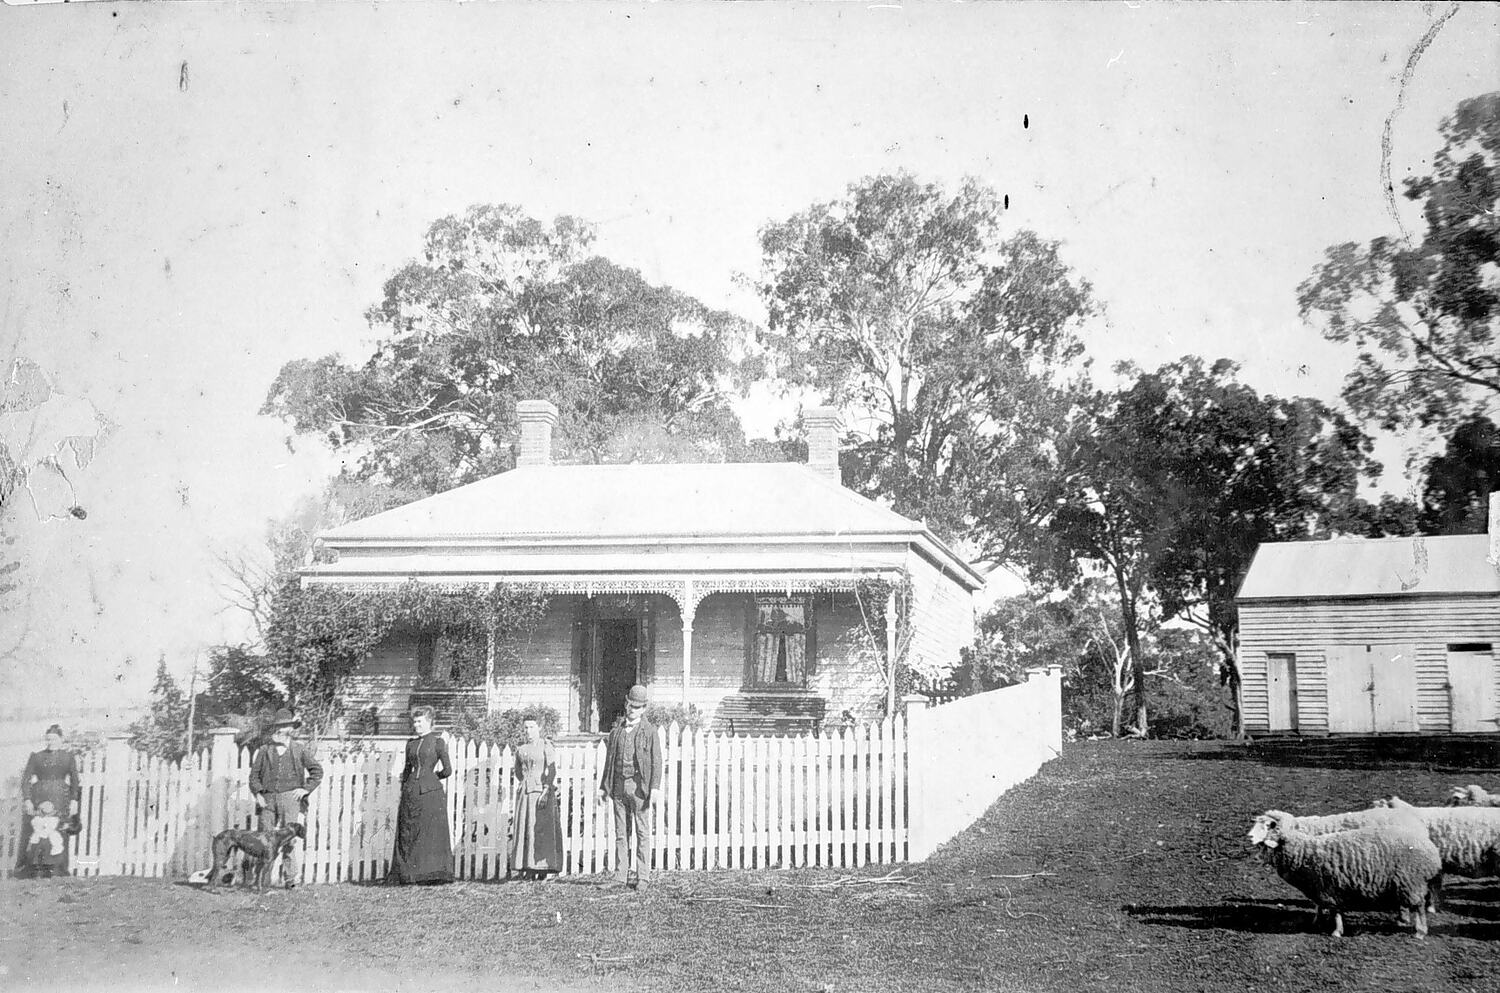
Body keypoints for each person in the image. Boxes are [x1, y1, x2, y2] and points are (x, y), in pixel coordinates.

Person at [247, 709, 323, 890]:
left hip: (291, 798)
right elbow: (253, 777)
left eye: (285, 726)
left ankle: (291, 881)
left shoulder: (299, 750)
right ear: (275, 729)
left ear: (291, 729)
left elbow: (317, 771)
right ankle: (261, 882)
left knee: (289, 840)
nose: (282, 730)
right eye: (279, 727)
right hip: (267, 799)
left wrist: (304, 789)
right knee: (263, 840)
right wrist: (258, 793)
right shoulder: (265, 750)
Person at [596, 684, 662, 889]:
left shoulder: (649, 732)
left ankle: (643, 877)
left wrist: (655, 788)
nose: (631, 709)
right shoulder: (616, 732)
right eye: (629, 705)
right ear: (626, 704)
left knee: (642, 833)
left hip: (639, 787)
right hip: (618, 787)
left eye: (636, 707)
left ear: (643, 709)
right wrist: (603, 788)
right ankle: (620, 876)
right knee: (621, 833)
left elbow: (656, 761)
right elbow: (609, 762)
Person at [388, 705, 454, 885]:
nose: (416, 725)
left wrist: (433, 778)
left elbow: (448, 770)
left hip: (431, 794)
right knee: (409, 831)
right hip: (411, 792)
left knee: (428, 833)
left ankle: (430, 873)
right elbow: (407, 769)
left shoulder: (438, 742)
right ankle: (408, 874)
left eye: (420, 721)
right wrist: (405, 785)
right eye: (414, 721)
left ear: (430, 722)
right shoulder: (410, 743)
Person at [16, 724, 81, 879]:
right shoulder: (36, 757)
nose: (50, 742)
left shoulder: (68, 757)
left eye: (54, 739)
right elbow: (26, 779)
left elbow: (75, 780)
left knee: (59, 831)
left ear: (61, 739)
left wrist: (73, 800)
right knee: (34, 831)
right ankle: (30, 870)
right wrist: (27, 800)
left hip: (61, 797)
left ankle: (58, 870)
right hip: (39, 796)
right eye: (48, 739)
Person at [510, 716, 564, 880]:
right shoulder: (521, 749)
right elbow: (518, 772)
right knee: (526, 829)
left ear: (539, 728)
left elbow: (552, 770)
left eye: (532, 727)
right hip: (526, 794)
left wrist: (546, 788)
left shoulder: (546, 746)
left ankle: (540, 869)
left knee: (540, 830)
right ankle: (527, 867)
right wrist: (525, 783)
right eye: (526, 727)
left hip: (542, 793)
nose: (528, 731)